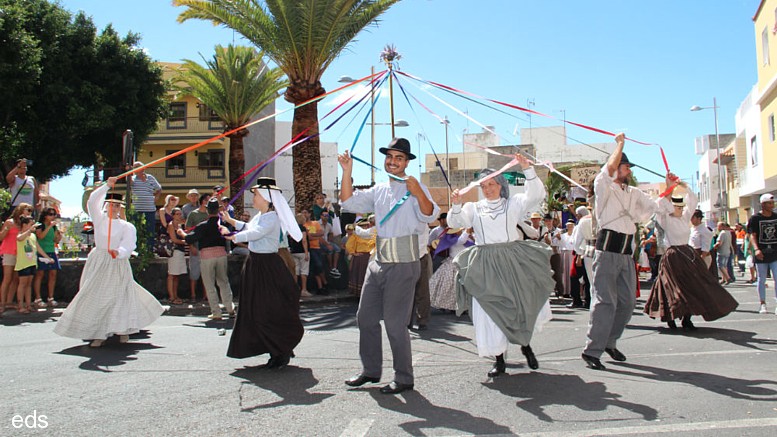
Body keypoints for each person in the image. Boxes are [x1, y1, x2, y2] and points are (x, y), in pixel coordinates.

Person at [339, 138, 439, 395]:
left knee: (395, 324)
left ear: (406, 162)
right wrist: (347, 171)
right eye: (390, 157)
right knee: (365, 318)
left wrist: (417, 191)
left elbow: (431, 215)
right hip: (378, 260)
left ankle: (404, 377)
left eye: (399, 158)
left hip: (405, 263)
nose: (393, 161)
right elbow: (348, 202)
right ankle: (371, 371)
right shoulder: (379, 189)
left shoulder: (417, 187)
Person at [449, 156, 553, 377]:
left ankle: (525, 345)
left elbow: (536, 195)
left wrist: (527, 168)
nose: (488, 189)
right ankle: (499, 359)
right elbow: (455, 223)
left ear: (501, 185)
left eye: (492, 184)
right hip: (485, 263)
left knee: (520, 304)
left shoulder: (512, 204)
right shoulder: (473, 208)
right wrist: (456, 204)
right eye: (484, 185)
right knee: (490, 309)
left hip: (511, 260)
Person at [582, 132, 668, 371]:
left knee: (628, 302)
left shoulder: (634, 193)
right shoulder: (604, 187)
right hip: (608, 250)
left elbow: (655, 208)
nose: (628, 170)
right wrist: (620, 144)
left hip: (626, 253)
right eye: (625, 166)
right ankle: (592, 350)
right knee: (604, 302)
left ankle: (609, 341)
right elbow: (608, 169)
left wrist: (669, 189)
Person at [54, 178, 164, 347]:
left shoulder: (127, 226)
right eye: (111, 205)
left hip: (117, 262)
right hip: (99, 260)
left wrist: (119, 252)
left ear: (121, 208)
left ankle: (123, 330)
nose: (114, 208)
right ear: (106, 206)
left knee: (119, 295)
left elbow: (129, 245)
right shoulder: (99, 220)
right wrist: (107, 185)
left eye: (117, 205)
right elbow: (92, 201)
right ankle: (99, 332)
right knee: (97, 295)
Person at [223, 178, 303, 368]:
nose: (254, 197)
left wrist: (232, 236)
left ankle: (280, 349)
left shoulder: (271, 217)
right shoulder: (260, 216)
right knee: (255, 308)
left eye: (256, 194)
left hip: (267, 267)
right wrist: (230, 222)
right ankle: (275, 347)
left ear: (266, 197)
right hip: (255, 265)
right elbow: (249, 228)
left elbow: (255, 234)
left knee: (268, 309)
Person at [643, 190, 738, 330]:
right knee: (672, 288)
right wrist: (669, 189)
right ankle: (671, 317)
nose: (681, 210)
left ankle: (687, 319)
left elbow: (693, 200)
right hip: (672, 257)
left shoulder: (684, 218)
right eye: (678, 207)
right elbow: (659, 204)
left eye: (682, 207)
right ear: (671, 207)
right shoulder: (665, 219)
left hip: (687, 254)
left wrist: (684, 186)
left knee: (693, 286)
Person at [185, 198, 235, 321]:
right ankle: (230, 308)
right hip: (221, 254)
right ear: (218, 210)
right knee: (223, 282)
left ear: (207, 210)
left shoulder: (202, 226)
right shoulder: (222, 225)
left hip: (207, 256)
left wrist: (182, 233)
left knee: (209, 284)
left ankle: (216, 312)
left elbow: (190, 239)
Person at [15, 215, 53, 314]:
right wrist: (29, 230)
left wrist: (47, 258)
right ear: (25, 224)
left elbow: (38, 248)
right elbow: (19, 238)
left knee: (28, 285)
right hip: (23, 263)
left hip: (32, 263)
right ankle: (20, 306)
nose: (33, 227)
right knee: (22, 284)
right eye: (31, 224)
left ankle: (28, 305)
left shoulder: (33, 236)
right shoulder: (21, 234)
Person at [747, 193, 777, 315]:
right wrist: (756, 249)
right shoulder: (755, 219)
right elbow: (752, 235)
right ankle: (762, 304)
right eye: (769, 203)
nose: (772, 205)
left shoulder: (776, 217)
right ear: (763, 204)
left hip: (775, 252)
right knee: (761, 279)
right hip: (761, 254)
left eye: (773, 203)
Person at [428, 227, 471, 312]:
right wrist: (467, 231)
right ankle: (451, 306)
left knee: (457, 287)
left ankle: (459, 306)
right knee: (451, 287)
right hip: (454, 264)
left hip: (463, 264)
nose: (460, 231)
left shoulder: (459, 239)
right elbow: (462, 241)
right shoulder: (452, 239)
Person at [0, 203, 32, 313]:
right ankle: (2, 303)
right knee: (7, 278)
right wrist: (6, 229)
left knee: (15, 278)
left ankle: (9, 302)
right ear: (21, 210)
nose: (29, 212)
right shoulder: (10, 222)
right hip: (9, 251)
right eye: (28, 210)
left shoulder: (24, 224)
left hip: (21, 253)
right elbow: (1, 237)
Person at [129, 161, 162, 251]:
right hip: (137, 209)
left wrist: (157, 197)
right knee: (136, 230)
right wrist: (128, 172)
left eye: (137, 167)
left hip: (150, 209)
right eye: (134, 168)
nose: (135, 169)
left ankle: (149, 250)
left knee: (150, 230)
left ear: (143, 168)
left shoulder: (150, 178)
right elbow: (129, 183)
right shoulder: (132, 178)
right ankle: (137, 250)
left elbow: (159, 188)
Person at [33, 207, 62, 308]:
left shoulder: (54, 227)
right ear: (45, 215)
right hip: (41, 251)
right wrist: (49, 227)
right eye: (51, 214)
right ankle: (38, 298)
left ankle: (51, 297)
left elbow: (55, 240)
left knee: (53, 274)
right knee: (40, 274)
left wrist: (59, 236)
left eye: (54, 214)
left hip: (51, 251)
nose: (53, 216)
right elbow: (40, 236)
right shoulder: (40, 225)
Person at [185, 193, 210, 301]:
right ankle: (193, 295)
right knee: (194, 273)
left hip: (207, 247)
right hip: (195, 246)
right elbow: (188, 231)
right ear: (203, 201)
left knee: (207, 273)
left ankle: (206, 295)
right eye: (207, 200)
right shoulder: (193, 214)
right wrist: (191, 246)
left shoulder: (211, 215)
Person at [345, 217, 375, 296]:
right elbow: (349, 245)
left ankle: (368, 293)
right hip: (360, 257)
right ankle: (359, 293)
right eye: (364, 226)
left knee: (367, 275)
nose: (366, 227)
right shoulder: (356, 235)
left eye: (367, 225)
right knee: (360, 274)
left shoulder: (372, 234)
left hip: (370, 256)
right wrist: (353, 253)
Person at [570, 206, 593, 309]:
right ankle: (589, 300)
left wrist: (579, 254)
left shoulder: (583, 222)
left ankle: (581, 300)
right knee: (591, 279)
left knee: (579, 277)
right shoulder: (600, 220)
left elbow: (577, 241)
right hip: (597, 251)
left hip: (586, 252)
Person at [166, 207, 187, 305]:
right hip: (174, 251)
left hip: (181, 251)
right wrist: (185, 241)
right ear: (173, 215)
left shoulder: (181, 225)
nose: (179, 215)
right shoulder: (171, 225)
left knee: (177, 275)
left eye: (180, 214)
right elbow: (174, 239)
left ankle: (175, 295)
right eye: (177, 214)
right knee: (172, 274)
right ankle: (171, 296)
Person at [289, 214, 312, 298]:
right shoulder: (302, 228)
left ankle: (295, 289)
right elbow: (304, 240)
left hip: (294, 251)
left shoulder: (292, 228)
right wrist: (306, 252)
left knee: (296, 271)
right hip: (302, 251)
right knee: (304, 271)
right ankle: (304, 290)